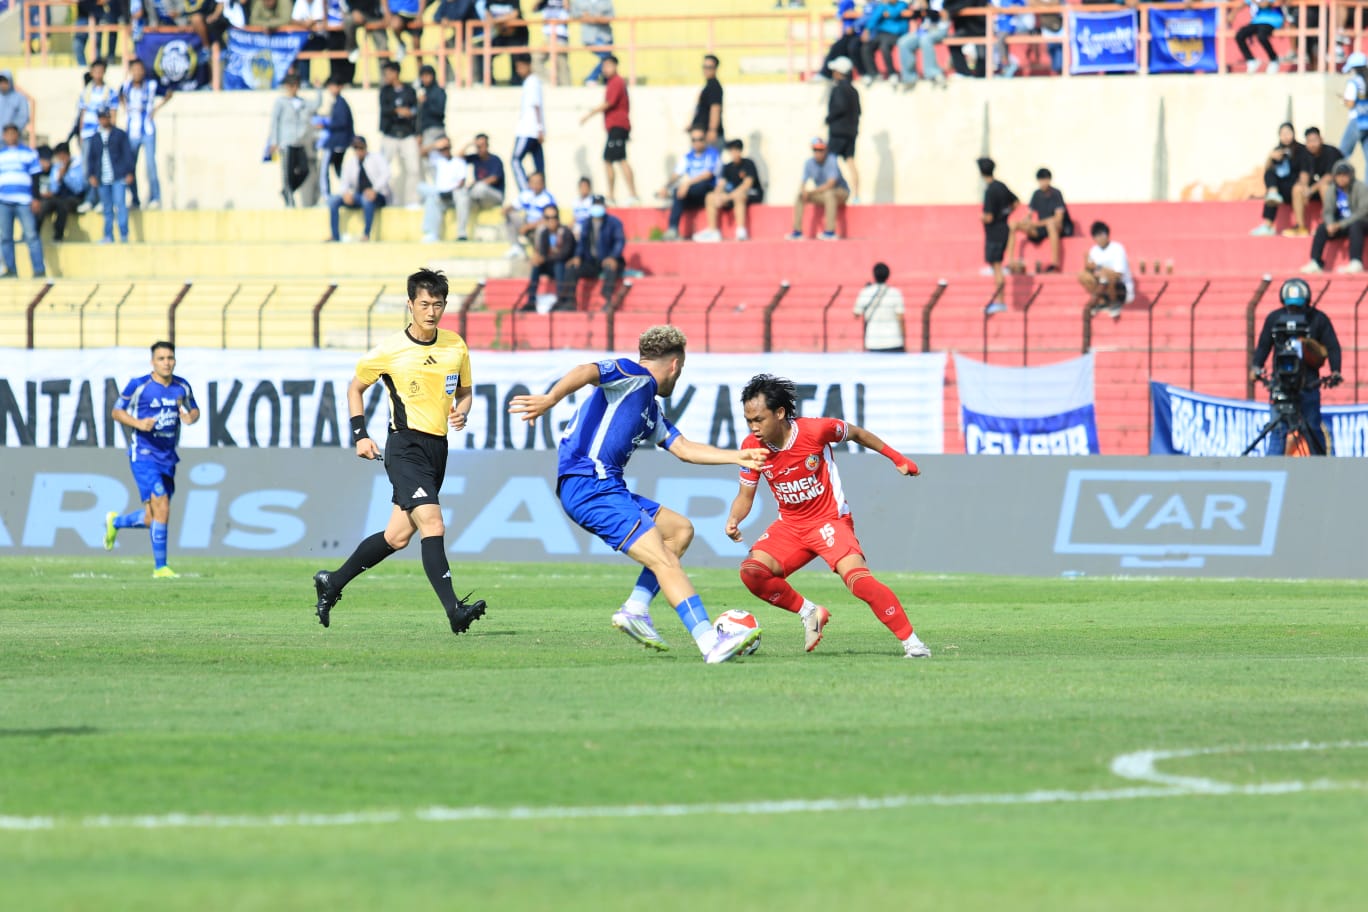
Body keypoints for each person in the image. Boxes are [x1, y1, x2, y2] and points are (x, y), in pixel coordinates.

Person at [507, 326, 770, 664]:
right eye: (681, 370)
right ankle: (709, 642)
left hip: (603, 486)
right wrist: (550, 398)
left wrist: (737, 456)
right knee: (663, 559)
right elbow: (588, 371)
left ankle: (636, 608)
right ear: (674, 366)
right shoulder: (635, 376)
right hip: (590, 483)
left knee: (679, 530)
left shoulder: (649, 409)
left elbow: (685, 449)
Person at [312, 268, 487, 635]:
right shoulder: (391, 349)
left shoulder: (455, 345)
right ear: (410, 305)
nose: (431, 311)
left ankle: (333, 581)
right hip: (404, 446)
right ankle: (454, 610)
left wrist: (463, 411)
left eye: (437, 304)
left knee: (396, 537)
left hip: (438, 448)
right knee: (433, 523)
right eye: (424, 304)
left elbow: (466, 392)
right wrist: (360, 434)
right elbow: (355, 388)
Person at [724, 374, 931, 659]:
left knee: (859, 581)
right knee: (752, 573)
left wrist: (897, 458)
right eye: (749, 421)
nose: (753, 427)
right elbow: (745, 496)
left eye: (759, 419)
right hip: (790, 526)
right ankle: (810, 612)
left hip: (829, 521)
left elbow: (857, 433)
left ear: (780, 413)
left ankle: (914, 644)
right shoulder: (751, 448)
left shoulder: (815, 431)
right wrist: (734, 519)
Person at [103, 341, 200, 579]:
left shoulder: (182, 386)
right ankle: (160, 568)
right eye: (161, 358)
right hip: (144, 456)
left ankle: (116, 523)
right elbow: (116, 411)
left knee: (152, 517)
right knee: (163, 506)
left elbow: (195, 409)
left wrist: (190, 417)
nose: (167, 362)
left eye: (170, 358)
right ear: (152, 362)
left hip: (168, 457)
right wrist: (138, 423)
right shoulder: (140, 385)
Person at [1250, 278, 1344, 456]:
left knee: (1312, 429)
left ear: (1307, 303)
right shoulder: (1274, 319)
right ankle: (1273, 471)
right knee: (1278, 431)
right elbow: (1263, 345)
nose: (1294, 311)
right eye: (1291, 306)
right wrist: (1256, 366)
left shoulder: (1318, 319)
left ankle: (1321, 469)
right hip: (1281, 383)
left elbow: (1332, 346)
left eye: (1298, 307)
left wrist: (1335, 370)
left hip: (1308, 384)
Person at [579, 54, 638, 205]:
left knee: (618, 159)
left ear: (614, 66)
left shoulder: (617, 82)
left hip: (618, 126)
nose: (604, 70)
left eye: (607, 66)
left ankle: (627, 194)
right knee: (611, 160)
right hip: (615, 127)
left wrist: (589, 114)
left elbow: (609, 103)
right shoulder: (612, 82)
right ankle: (614, 195)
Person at [1299, 160, 1368, 275]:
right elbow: (1328, 211)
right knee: (1322, 228)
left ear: (1351, 175)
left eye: (1345, 175)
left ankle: (1356, 262)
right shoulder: (1332, 190)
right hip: (1339, 224)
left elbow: (1363, 211)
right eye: (1339, 175)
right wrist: (1330, 223)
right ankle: (1315, 262)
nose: (1341, 178)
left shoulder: (1360, 187)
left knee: (1356, 226)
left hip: (1361, 223)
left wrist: (1340, 224)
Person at [119, 58, 169, 211]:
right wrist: (125, 108)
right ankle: (135, 199)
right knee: (130, 166)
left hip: (148, 131)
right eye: (134, 69)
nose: (137, 72)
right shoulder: (126, 87)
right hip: (132, 132)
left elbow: (169, 93)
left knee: (150, 165)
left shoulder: (151, 85)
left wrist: (156, 109)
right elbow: (119, 96)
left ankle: (155, 197)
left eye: (140, 69)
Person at [695, 138, 763, 242]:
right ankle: (713, 231)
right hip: (731, 196)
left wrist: (728, 197)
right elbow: (721, 184)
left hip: (751, 194)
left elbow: (747, 185)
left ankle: (741, 230)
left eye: (736, 150)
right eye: (731, 151)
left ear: (740, 151)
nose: (733, 153)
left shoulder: (748, 163)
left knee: (739, 195)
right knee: (710, 196)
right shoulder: (727, 167)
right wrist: (718, 195)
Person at [658, 129, 720, 240]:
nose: (697, 142)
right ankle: (673, 229)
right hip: (692, 191)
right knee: (678, 192)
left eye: (700, 139)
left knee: (695, 186)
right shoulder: (688, 156)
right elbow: (677, 174)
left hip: (707, 189)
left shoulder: (712, 153)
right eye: (694, 140)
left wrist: (687, 184)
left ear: (705, 140)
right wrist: (665, 187)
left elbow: (708, 175)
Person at [0, 123, 45, 279]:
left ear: (17, 135)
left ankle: (39, 270)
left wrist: (36, 198)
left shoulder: (28, 153)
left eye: (13, 133)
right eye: (8, 134)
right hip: (4, 200)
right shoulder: (1, 154)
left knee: (31, 235)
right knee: (5, 237)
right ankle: (11, 270)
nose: (11, 136)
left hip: (24, 200)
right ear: (4, 136)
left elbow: (36, 177)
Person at [268, 74, 319, 208]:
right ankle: (289, 198)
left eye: (295, 85)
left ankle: (287, 191)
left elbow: (316, 105)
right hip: (286, 143)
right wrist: (274, 141)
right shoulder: (281, 102)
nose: (293, 88)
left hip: (300, 142)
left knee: (304, 170)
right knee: (288, 173)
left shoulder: (302, 102)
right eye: (290, 86)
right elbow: (275, 122)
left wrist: (318, 89)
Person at [85, 106, 134, 244]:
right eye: (101, 117)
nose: (103, 120)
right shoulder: (95, 137)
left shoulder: (119, 134)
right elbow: (91, 158)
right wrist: (92, 175)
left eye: (105, 117)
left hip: (118, 176)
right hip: (102, 178)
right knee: (107, 208)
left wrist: (129, 172)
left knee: (120, 205)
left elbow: (127, 154)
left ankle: (123, 235)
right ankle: (108, 235)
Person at [328, 135, 391, 242]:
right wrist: (345, 193)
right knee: (333, 201)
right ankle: (335, 236)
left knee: (366, 200)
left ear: (366, 147)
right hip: (359, 195)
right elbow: (344, 182)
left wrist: (374, 190)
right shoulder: (351, 163)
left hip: (378, 195)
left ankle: (366, 234)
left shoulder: (376, 158)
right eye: (356, 148)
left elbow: (386, 174)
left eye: (360, 148)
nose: (358, 151)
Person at [1251, 122, 1309, 237]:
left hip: (1294, 186)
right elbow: (1268, 169)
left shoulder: (1301, 150)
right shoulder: (1277, 150)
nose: (1286, 136)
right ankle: (1267, 225)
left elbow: (1304, 172)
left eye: (1288, 133)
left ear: (1293, 134)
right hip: (1280, 189)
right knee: (1270, 181)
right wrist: (1270, 157)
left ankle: (1299, 225)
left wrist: (1304, 187)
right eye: (1283, 134)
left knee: (1292, 189)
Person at [1010, 167, 1072, 273]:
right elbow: (1029, 214)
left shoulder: (1056, 193)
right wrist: (1025, 222)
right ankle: (1011, 263)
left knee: (1051, 225)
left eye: (1045, 180)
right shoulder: (1036, 194)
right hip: (1040, 229)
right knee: (1013, 225)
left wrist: (1036, 224)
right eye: (1041, 180)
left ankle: (1055, 264)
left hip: (1057, 229)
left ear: (1049, 180)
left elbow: (1058, 218)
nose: (1043, 183)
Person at [1286, 127, 1343, 238]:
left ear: (1321, 139)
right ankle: (1300, 227)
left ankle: (1328, 222)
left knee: (1324, 187)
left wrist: (1311, 190)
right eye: (1309, 141)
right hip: (1313, 190)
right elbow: (1304, 174)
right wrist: (1304, 187)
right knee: (1297, 188)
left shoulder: (1331, 152)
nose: (1312, 144)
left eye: (1314, 140)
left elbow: (1329, 176)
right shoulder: (1305, 154)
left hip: (1334, 191)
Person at [788, 137, 849, 241]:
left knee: (829, 194)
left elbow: (830, 184)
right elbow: (803, 181)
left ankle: (830, 232)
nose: (818, 152)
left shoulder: (832, 160)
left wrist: (810, 192)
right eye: (815, 150)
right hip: (822, 193)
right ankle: (797, 232)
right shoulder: (809, 163)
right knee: (800, 196)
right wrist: (803, 191)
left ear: (826, 150)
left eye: (820, 150)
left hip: (840, 192)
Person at [570, 193, 624, 308]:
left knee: (611, 268)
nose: (597, 207)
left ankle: (608, 299)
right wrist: (578, 256)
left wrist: (613, 257)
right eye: (595, 204)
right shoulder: (587, 223)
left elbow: (619, 241)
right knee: (572, 268)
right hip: (592, 261)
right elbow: (582, 242)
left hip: (608, 258)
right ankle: (569, 301)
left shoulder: (614, 222)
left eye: (600, 204)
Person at [978, 156, 1016, 315]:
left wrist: (983, 218)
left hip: (994, 232)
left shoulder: (990, 190)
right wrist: (1005, 215)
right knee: (997, 266)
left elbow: (989, 217)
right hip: (1004, 228)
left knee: (997, 268)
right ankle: (1000, 300)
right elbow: (1015, 203)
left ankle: (1000, 301)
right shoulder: (1001, 186)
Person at [378, 61, 420, 208]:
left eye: (388, 72)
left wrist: (409, 113)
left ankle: (412, 201)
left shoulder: (409, 90)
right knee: (383, 169)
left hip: (407, 134)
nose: (386, 76)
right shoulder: (385, 91)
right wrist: (397, 111)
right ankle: (384, 199)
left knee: (413, 169)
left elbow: (415, 110)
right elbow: (385, 109)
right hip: (390, 134)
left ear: (395, 73)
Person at [523, 203, 576, 311]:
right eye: (547, 218)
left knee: (559, 265)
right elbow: (543, 252)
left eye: (554, 217)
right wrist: (538, 259)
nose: (551, 220)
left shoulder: (565, 232)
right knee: (536, 266)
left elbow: (564, 255)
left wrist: (544, 258)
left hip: (563, 267)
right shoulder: (544, 233)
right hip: (549, 265)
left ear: (558, 218)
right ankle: (531, 301)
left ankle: (561, 300)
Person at [454, 132, 505, 241]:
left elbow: (494, 178)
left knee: (480, 187)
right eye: (478, 146)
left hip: (494, 196)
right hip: (478, 197)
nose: (480, 148)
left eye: (482, 145)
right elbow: (459, 156)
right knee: (462, 197)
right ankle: (461, 233)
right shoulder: (475, 158)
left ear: (487, 145)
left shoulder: (495, 159)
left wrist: (475, 184)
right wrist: (470, 144)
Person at [1079, 220, 1135, 318]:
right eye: (1096, 236)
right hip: (1102, 286)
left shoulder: (1117, 248)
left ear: (1107, 234)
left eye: (1102, 234)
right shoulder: (1094, 250)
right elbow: (1091, 270)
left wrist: (1100, 270)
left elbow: (1118, 274)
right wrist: (1088, 266)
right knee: (1083, 275)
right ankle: (1101, 302)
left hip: (1120, 288)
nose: (1099, 238)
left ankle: (1114, 303)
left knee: (1106, 275)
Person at [826, 56, 862, 202]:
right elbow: (859, 112)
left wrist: (828, 119)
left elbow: (838, 108)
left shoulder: (838, 89)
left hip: (838, 132)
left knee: (831, 160)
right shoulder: (854, 90)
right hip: (851, 132)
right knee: (850, 161)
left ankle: (836, 188)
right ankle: (856, 194)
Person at [37, 143, 85, 243]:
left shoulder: (77, 166)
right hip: (59, 197)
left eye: (62, 155)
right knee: (45, 205)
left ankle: (58, 236)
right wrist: (58, 179)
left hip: (74, 198)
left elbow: (78, 188)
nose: (60, 158)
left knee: (63, 206)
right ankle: (35, 233)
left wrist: (65, 175)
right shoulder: (57, 167)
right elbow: (54, 188)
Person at [511, 55, 546, 193]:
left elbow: (536, 106)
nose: (519, 70)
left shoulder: (532, 82)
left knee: (515, 160)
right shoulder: (531, 82)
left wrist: (539, 128)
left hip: (528, 130)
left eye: (520, 67)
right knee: (539, 165)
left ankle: (526, 191)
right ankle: (542, 192)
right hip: (534, 129)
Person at [852, 262, 904, 352]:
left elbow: (856, 314)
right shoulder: (895, 293)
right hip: (894, 340)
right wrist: (903, 339)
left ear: (874, 275)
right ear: (888, 275)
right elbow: (900, 318)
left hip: (873, 341)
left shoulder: (865, 292)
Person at [503, 168, 554, 256]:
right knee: (510, 215)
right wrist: (505, 209)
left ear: (543, 183)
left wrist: (528, 227)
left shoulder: (547, 198)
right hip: (526, 223)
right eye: (532, 182)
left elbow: (547, 219)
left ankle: (539, 254)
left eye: (538, 182)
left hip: (538, 227)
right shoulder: (526, 194)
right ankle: (516, 246)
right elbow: (513, 206)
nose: (535, 185)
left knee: (542, 228)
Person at [420, 136, 462, 242]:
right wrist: (435, 145)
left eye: (446, 148)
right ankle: (431, 234)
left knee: (431, 197)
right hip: (438, 194)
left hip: (452, 195)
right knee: (423, 189)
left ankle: (431, 233)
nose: (444, 151)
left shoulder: (458, 162)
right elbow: (421, 152)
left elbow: (461, 182)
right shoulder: (438, 160)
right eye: (442, 149)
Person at [898, 0, 949, 88]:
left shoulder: (941, 2)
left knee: (925, 40)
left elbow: (943, 15)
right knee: (903, 42)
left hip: (940, 28)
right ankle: (909, 78)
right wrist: (919, 8)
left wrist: (928, 9)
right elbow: (915, 15)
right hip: (924, 29)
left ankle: (933, 74)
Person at [861, 0, 910, 85]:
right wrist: (867, 30)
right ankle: (873, 74)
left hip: (895, 34)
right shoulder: (883, 5)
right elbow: (875, 17)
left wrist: (887, 12)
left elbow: (894, 13)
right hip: (881, 33)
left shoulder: (902, 4)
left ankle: (892, 74)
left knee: (884, 47)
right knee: (866, 47)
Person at [322, 77, 355, 198]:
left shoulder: (341, 103)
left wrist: (325, 123)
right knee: (338, 169)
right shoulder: (338, 102)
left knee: (326, 169)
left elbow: (342, 122)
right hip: (339, 141)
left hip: (337, 142)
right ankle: (349, 191)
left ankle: (326, 195)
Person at [1231, 0, 1284, 74]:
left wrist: (1254, 2)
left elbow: (1265, 4)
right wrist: (1232, 14)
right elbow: (1243, 4)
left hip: (1272, 21)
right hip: (1257, 21)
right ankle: (1251, 60)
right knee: (1240, 35)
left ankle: (1274, 59)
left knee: (1262, 36)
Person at [571, 0, 614, 85]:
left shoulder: (606, 2)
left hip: (605, 35)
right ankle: (592, 78)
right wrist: (595, 18)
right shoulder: (579, 2)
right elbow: (575, 14)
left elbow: (611, 17)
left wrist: (594, 18)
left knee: (606, 58)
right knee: (607, 58)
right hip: (590, 37)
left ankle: (604, 81)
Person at [1338, 52, 1368, 171]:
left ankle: (1338, 183)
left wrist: (1343, 100)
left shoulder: (1354, 82)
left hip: (1357, 121)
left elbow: (1350, 103)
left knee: (1342, 154)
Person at [690, 54, 725, 149]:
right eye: (704, 67)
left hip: (708, 136)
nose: (706, 70)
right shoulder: (708, 86)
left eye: (709, 67)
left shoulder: (714, 87)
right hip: (701, 135)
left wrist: (712, 130)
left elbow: (715, 109)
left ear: (715, 69)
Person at [535, 0, 572, 85]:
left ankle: (566, 87)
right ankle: (553, 82)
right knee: (536, 60)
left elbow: (569, 9)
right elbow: (533, 9)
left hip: (561, 36)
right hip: (547, 37)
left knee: (561, 63)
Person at [344, 0, 389, 65]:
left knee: (383, 45)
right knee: (348, 20)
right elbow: (344, 3)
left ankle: (384, 72)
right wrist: (353, 10)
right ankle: (352, 48)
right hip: (356, 13)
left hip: (374, 17)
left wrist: (385, 16)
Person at [417, 65, 447, 154]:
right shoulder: (422, 91)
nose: (425, 79)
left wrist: (426, 102)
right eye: (423, 76)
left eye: (427, 76)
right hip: (424, 130)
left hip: (435, 128)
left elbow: (439, 111)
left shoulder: (438, 92)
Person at [0, 72, 31, 137]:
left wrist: (12, 131)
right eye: (1, 82)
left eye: (5, 82)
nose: (2, 85)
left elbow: (24, 117)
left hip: (11, 139)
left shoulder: (19, 98)